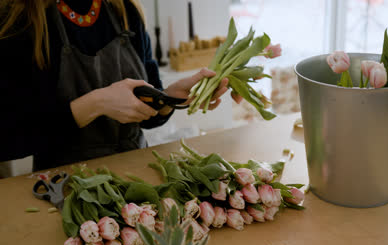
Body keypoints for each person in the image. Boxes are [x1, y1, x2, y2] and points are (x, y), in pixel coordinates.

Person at [0, 0, 241, 172]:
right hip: (64, 188)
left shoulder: (125, 10)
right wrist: (96, 104)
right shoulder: (18, 20)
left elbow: (148, 117)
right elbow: (9, 140)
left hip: (136, 180)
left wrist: (169, 98)